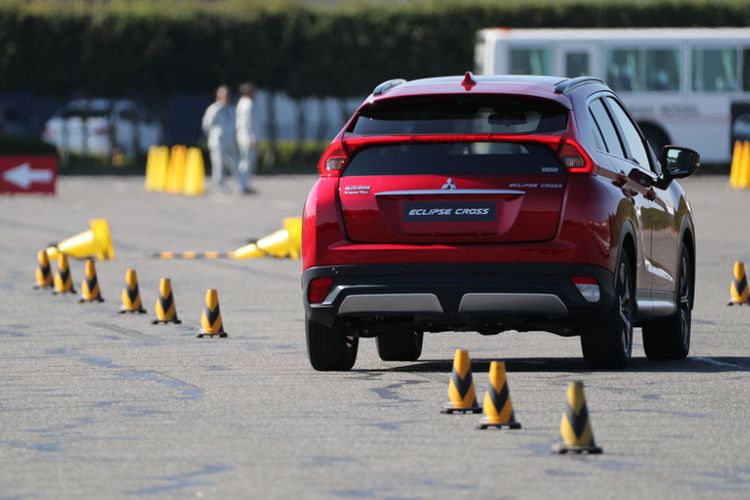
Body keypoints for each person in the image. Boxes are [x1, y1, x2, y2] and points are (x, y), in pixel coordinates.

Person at [202, 85, 245, 193]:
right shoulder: (213, 109)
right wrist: (213, 137)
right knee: (218, 164)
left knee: (235, 163)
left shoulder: (231, 109)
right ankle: (219, 186)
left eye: (227, 94)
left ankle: (241, 185)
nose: (225, 97)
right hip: (218, 141)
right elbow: (206, 125)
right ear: (218, 96)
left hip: (230, 140)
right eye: (223, 94)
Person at [236, 82, 257, 194]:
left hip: (241, 134)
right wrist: (252, 137)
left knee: (244, 161)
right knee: (247, 162)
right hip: (247, 136)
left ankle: (244, 184)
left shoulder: (240, 103)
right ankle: (244, 185)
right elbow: (249, 123)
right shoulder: (249, 104)